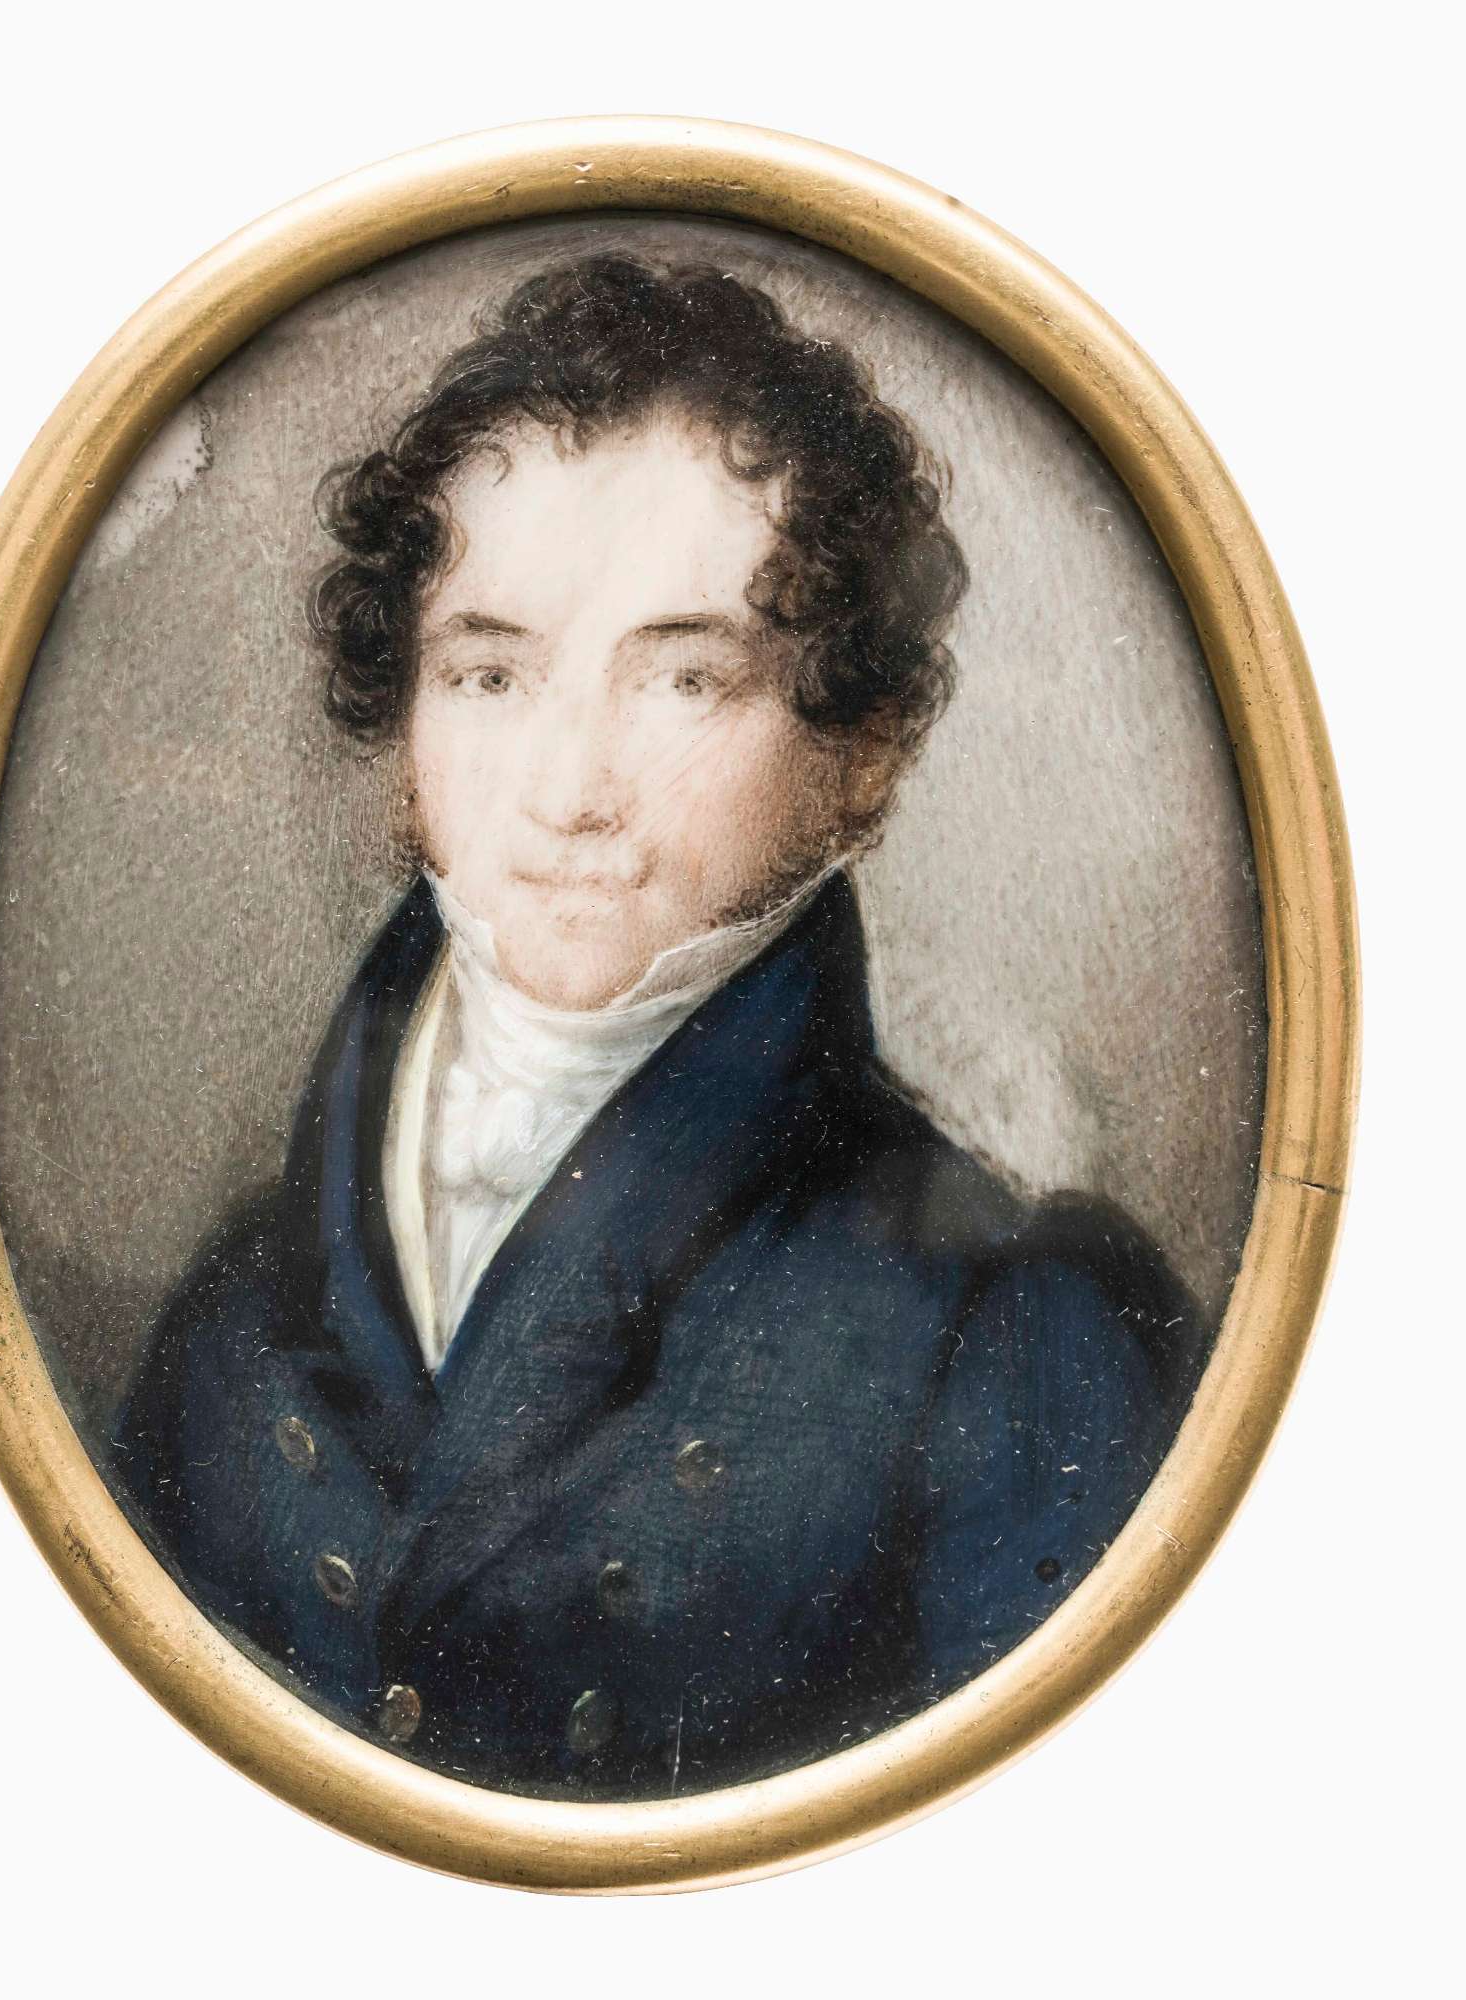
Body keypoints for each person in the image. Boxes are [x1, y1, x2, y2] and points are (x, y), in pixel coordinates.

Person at [116, 255, 1203, 1799]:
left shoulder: (1004, 1328)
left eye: (683, 678)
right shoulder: (234, 1308)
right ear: (404, 730)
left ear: (858, 752)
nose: (569, 790)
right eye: (489, 673)